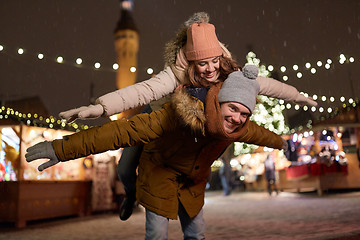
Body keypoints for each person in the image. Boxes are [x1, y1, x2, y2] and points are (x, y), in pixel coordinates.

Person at [58, 12, 317, 220]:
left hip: (181, 131)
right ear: (191, 59)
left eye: (213, 61)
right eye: (202, 64)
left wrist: (298, 96)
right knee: (125, 168)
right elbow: (142, 91)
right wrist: (101, 108)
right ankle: (130, 193)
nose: (210, 69)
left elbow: (266, 84)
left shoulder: (228, 70)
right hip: (157, 115)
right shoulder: (176, 72)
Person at [26, 66, 287, 239]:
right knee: (128, 172)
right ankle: (131, 194)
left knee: (196, 234)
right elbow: (118, 132)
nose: (238, 118)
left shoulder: (238, 127)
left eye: (245, 113)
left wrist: (283, 143)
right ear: (219, 103)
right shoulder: (180, 101)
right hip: (158, 164)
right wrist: (60, 148)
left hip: (191, 181)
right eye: (233, 109)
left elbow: (262, 134)